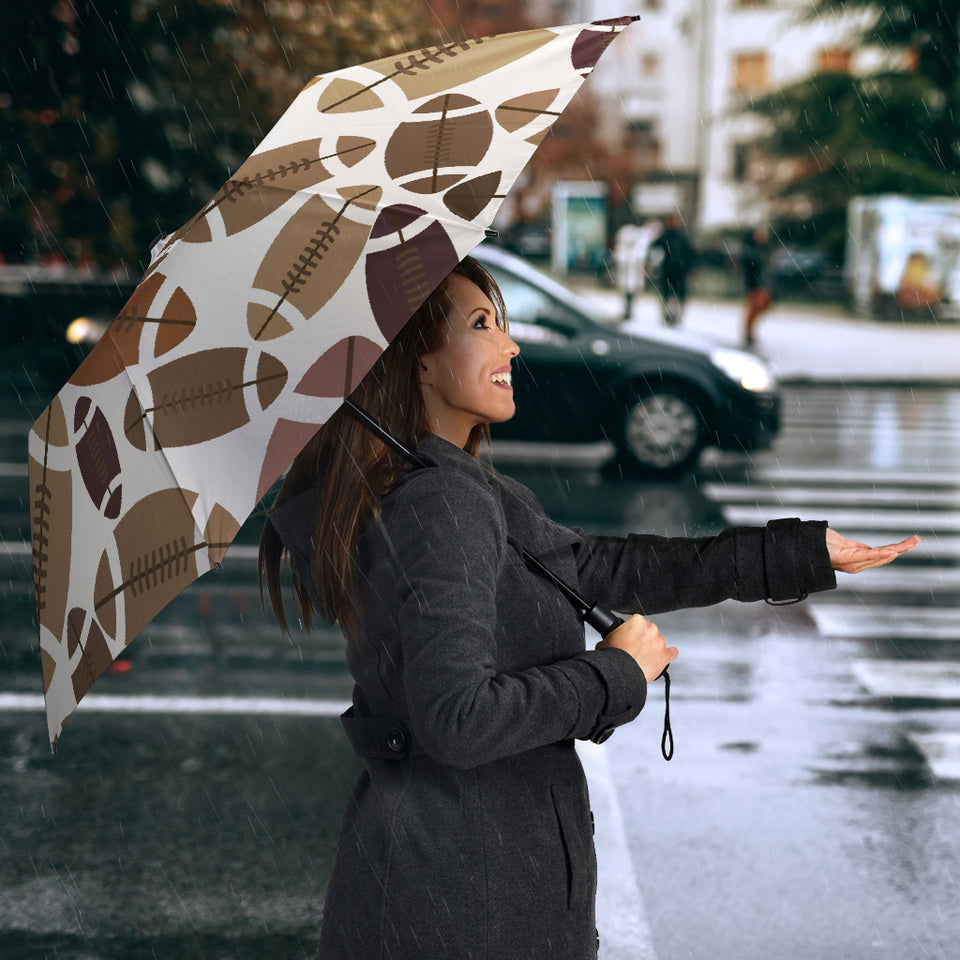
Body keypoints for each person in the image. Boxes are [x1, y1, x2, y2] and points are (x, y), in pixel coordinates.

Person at [259, 256, 919, 960]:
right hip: (466, 903)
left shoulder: (452, 489)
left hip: (454, 884)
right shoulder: (439, 504)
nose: (510, 345)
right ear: (417, 363)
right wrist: (613, 673)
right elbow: (456, 720)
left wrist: (796, 554)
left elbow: (604, 567)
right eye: (482, 325)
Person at [648, 213, 695, 327]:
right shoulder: (665, 236)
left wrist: (690, 267)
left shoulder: (681, 237)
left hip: (679, 271)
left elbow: (690, 253)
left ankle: (675, 316)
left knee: (677, 295)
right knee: (667, 294)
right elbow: (654, 249)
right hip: (668, 270)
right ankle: (667, 315)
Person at [741, 226, 773, 347]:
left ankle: (750, 331)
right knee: (754, 308)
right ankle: (748, 333)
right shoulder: (751, 250)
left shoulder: (763, 249)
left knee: (762, 306)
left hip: (763, 283)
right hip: (755, 284)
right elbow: (750, 265)